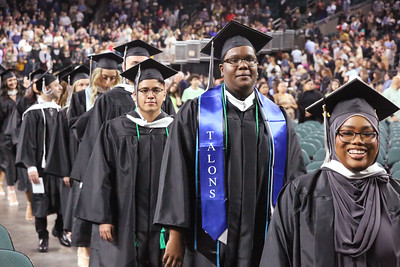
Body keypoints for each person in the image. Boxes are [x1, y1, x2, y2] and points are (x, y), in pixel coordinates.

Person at [154, 20, 306, 267]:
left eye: (250, 59)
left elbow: (294, 178)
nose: (243, 64)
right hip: (207, 239)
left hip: (262, 233)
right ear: (221, 68)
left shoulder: (276, 118)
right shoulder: (196, 112)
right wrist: (175, 234)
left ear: (258, 67)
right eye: (234, 60)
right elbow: (175, 172)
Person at [260, 77, 400, 266]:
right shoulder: (300, 195)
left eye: (368, 133)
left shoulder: (395, 195)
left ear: (377, 137)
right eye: (346, 132)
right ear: (332, 136)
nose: (358, 140)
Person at [76, 58, 177, 266]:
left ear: (164, 94)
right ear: (134, 95)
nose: (150, 95)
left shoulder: (175, 130)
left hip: (164, 222)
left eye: (156, 90)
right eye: (144, 90)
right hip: (123, 219)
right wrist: (104, 217)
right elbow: (101, 175)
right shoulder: (115, 129)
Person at [15, 71, 70, 252]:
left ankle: (60, 230)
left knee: (62, 200)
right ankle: (42, 236)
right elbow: (27, 141)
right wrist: (30, 167)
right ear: (46, 88)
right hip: (39, 167)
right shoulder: (32, 114)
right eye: (55, 85)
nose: (60, 87)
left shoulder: (60, 111)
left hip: (59, 167)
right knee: (40, 201)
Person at [0, 68, 24, 206]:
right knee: (9, 163)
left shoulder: (22, 96)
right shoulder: (1, 100)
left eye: (14, 79)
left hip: (20, 136)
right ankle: (11, 191)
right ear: (5, 82)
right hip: (5, 136)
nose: (13, 82)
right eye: (10, 80)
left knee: (18, 164)